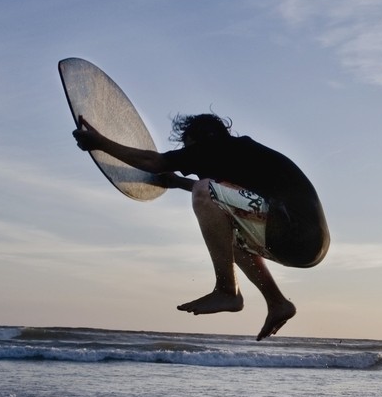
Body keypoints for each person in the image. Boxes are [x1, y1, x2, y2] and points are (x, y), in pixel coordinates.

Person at [74, 113, 329, 341]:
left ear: (197, 140)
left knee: (203, 191)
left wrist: (100, 143)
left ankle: (227, 290)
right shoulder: (239, 155)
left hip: (295, 229)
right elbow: (230, 196)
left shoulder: (214, 146)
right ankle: (277, 302)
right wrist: (177, 183)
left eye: (187, 147)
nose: (187, 155)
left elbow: (154, 162)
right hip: (304, 243)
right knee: (223, 225)